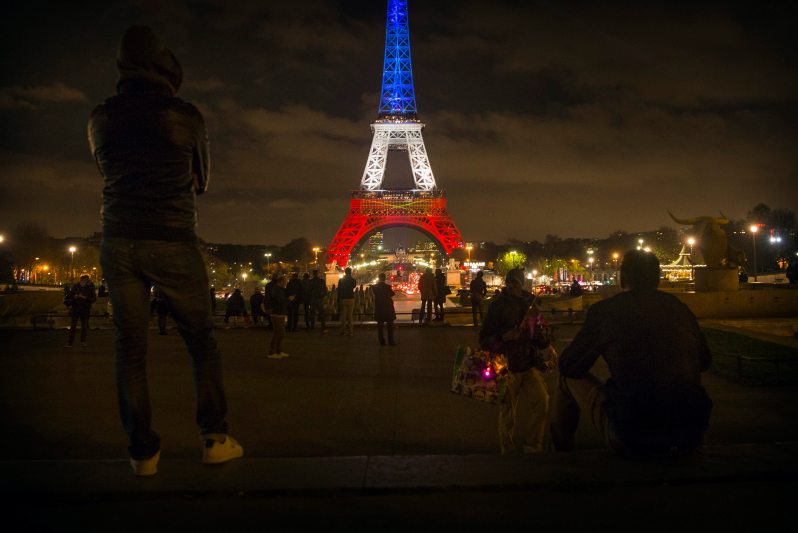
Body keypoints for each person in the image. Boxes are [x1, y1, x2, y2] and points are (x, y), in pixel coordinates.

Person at [89, 25, 242, 476]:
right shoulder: (185, 115)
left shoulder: (99, 117)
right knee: (201, 343)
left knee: (130, 349)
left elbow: (106, 171)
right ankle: (214, 437)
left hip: (118, 240)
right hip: (172, 238)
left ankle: (142, 453)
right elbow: (203, 181)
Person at [550, 250, 713, 458]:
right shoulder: (679, 308)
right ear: (657, 278)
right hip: (690, 432)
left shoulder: (606, 311)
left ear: (622, 277)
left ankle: (561, 455)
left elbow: (569, 366)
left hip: (633, 433)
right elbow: (705, 361)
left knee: (566, 380)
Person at [479, 268, 549, 454]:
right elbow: (484, 339)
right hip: (506, 366)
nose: (511, 286)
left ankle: (533, 445)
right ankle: (508, 451)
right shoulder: (497, 306)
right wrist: (505, 337)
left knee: (542, 402)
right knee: (508, 414)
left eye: (515, 283)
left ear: (521, 284)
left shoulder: (532, 306)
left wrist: (542, 335)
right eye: (510, 283)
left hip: (527, 363)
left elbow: (539, 338)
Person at [64, 274, 97, 347]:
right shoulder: (77, 287)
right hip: (78, 308)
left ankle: (80, 341)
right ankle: (73, 342)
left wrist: (84, 297)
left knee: (84, 326)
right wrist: (75, 297)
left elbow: (93, 298)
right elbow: (70, 296)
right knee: (74, 326)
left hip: (83, 309)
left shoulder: (89, 287)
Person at [267, 275, 290, 358]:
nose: (286, 283)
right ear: (281, 282)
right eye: (285, 282)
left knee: (281, 333)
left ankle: (278, 351)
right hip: (277, 313)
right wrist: (289, 299)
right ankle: (272, 352)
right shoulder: (277, 290)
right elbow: (281, 302)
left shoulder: (278, 290)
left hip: (279, 313)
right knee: (278, 333)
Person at [372, 273, 397, 346]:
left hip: (379, 308)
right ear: (384, 279)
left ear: (379, 278)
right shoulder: (387, 287)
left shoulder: (374, 287)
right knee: (390, 326)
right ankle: (391, 341)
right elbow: (392, 294)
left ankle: (381, 341)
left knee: (380, 327)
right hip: (388, 308)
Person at [337, 267, 357, 336]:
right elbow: (353, 286)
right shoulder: (353, 280)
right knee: (350, 316)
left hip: (343, 298)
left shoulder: (341, 280)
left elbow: (339, 289)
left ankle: (343, 331)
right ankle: (351, 332)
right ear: (350, 272)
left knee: (344, 316)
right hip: (351, 298)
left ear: (345, 272)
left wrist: (338, 298)